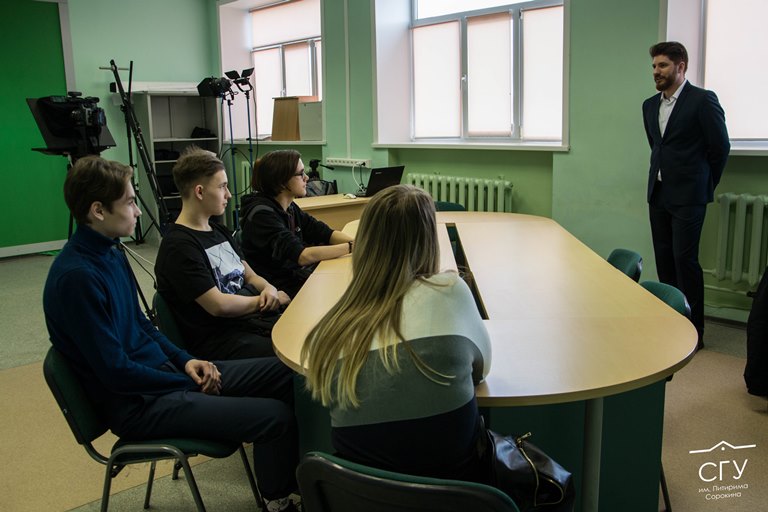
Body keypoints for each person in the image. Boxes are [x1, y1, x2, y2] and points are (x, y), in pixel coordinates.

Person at [43, 156, 301, 512]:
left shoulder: (112, 253)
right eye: (130, 202)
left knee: (289, 374)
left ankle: (298, 479)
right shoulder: (76, 278)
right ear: (98, 211)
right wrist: (185, 380)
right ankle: (278, 502)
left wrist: (186, 361)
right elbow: (116, 372)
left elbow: (142, 326)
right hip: (139, 403)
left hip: (165, 378)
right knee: (275, 418)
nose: (138, 211)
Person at [300, 184, 492, 482]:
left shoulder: (333, 328)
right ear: (428, 240)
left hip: (359, 495)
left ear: (365, 241)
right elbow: (482, 370)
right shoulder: (451, 291)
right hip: (457, 493)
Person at [155, 147, 291, 360]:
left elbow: (251, 276)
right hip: (222, 341)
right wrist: (264, 300)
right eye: (222, 187)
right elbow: (219, 305)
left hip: (249, 323)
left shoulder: (219, 231)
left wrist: (269, 289)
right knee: (298, 352)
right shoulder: (179, 246)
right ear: (200, 192)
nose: (228, 194)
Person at [642, 41, 730, 349]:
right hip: (659, 193)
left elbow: (720, 148)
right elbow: (658, 146)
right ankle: (670, 322)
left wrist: (704, 185)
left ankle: (694, 332)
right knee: (664, 260)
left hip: (689, 196)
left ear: (681, 67)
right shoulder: (649, 105)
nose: (656, 71)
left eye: (663, 65)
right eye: (654, 66)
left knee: (685, 261)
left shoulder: (703, 100)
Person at [240, 150, 354, 299]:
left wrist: (356, 242)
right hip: (277, 288)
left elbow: (324, 233)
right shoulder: (261, 215)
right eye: (300, 174)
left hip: (293, 276)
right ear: (281, 181)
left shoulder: (289, 206)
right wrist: (351, 247)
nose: (307, 178)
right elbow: (302, 256)